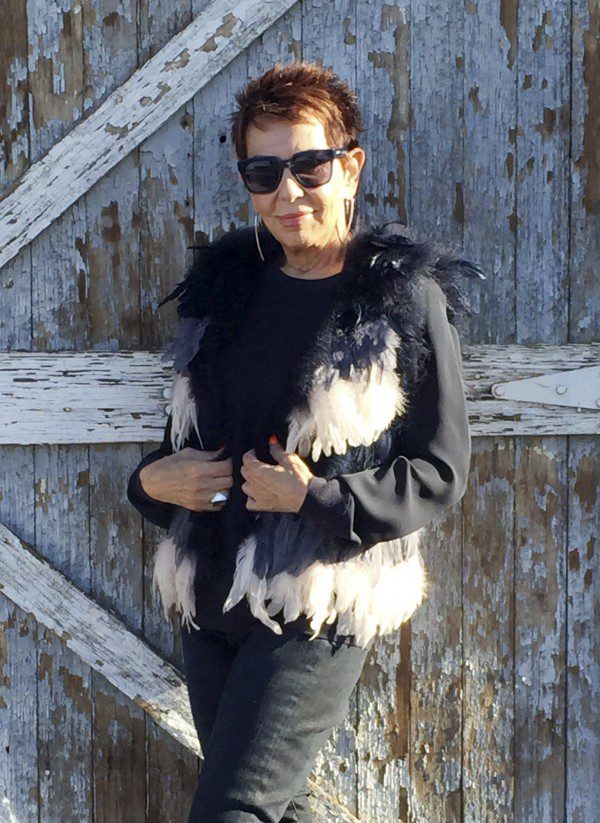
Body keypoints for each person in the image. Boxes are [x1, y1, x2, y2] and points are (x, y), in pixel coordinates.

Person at [127, 60, 481, 822]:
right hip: (210, 584)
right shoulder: (226, 292)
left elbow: (442, 467)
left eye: (309, 165)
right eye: (263, 172)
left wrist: (315, 496)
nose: (287, 193)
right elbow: (179, 448)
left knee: (233, 810)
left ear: (349, 166)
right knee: (275, 810)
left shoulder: (398, 297)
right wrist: (149, 484)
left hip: (314, 594)